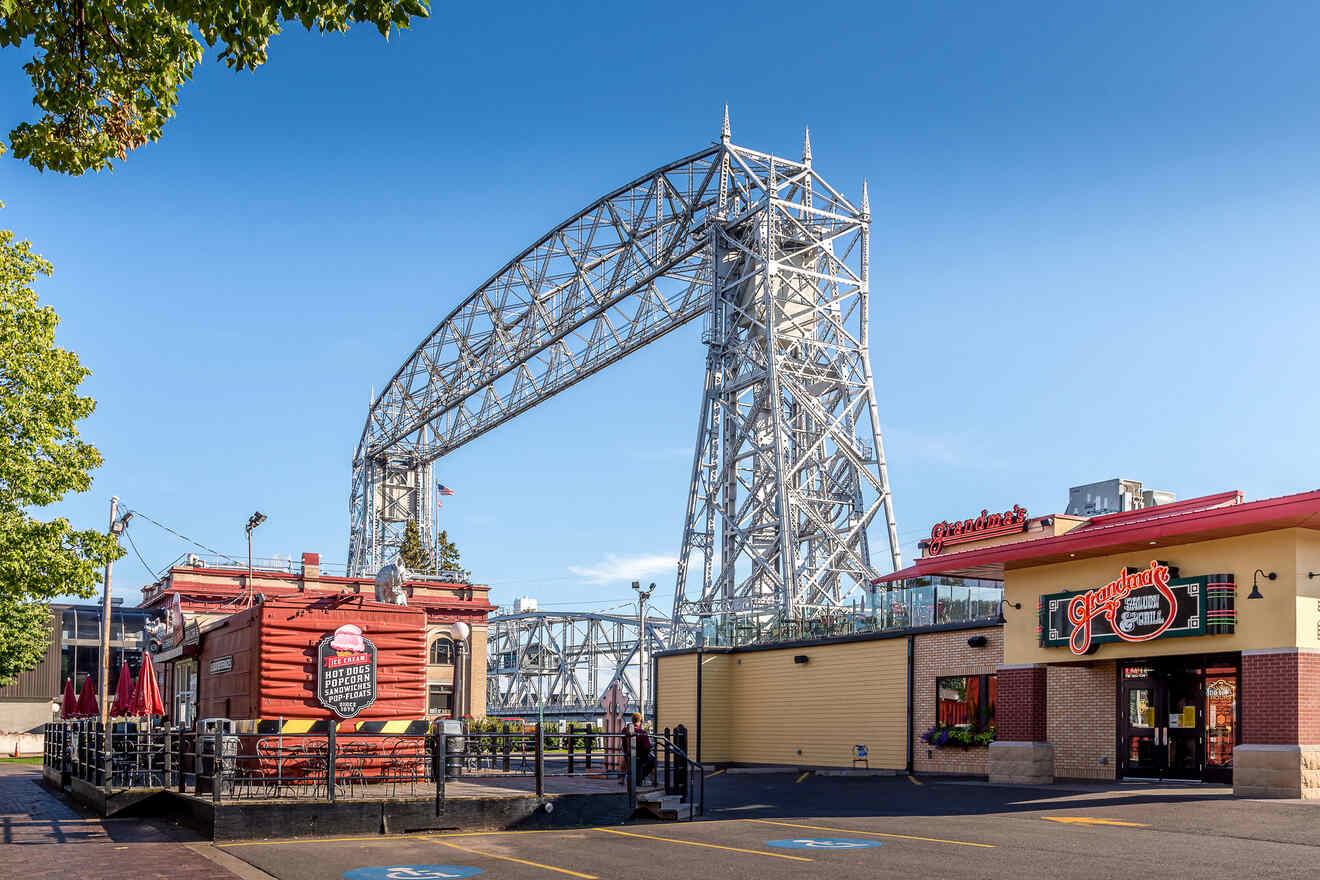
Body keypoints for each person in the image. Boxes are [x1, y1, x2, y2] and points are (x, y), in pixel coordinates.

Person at [630, 712, 655, 786]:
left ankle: (636, 778)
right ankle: (640, 778)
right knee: (652, 760)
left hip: (628, 756)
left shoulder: (624, 730)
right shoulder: (642, 732)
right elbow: (647, 747)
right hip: (639, 757)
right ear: (640, 721)